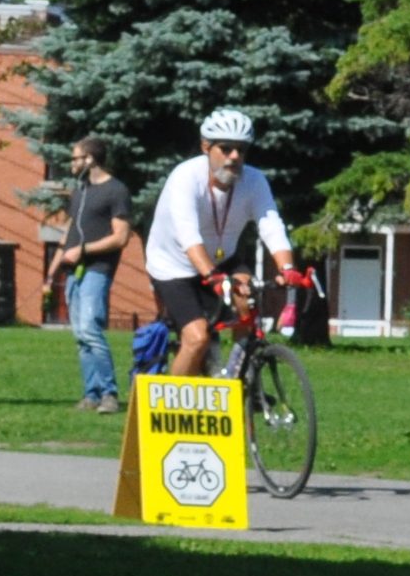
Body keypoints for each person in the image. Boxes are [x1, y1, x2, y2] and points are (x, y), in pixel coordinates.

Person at [147, 110, 291, 379]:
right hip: (175, 265)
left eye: (241, 149)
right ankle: (173, 407)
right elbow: (188, 236)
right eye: (225, 148)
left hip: (223, 258)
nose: (234, 157)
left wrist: (288, 268)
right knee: (197, 338)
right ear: (206, 147)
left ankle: (241, 386)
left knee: (247, 305)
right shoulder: (185, 177)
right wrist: (213, 277)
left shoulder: (254, 180)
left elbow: (271, 224)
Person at [45, 140, 132, 413]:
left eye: (76, 159)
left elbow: (121, 237)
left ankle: (109, 394)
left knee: (91, 329)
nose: (72, 164)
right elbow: (70, 231)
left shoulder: (116, 191)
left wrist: (83, 250)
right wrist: (52, 270)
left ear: (91, 160)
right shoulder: (80, 192)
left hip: (97, 270)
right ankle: (90, 394)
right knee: (81, 335)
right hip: (73, 272)